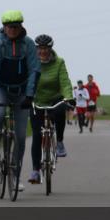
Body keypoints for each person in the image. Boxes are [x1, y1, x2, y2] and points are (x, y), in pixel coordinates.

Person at [0, 11, 41, 192]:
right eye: (8, 26)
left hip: (22, 91)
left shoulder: (29, 44)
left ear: (21, 26)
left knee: (20, 137)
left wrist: (30, 95)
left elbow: (34, 70)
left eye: (15, 26)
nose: (12, 30)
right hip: (2, 88)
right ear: (4, 27)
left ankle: (16, 178)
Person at [27, 35, 71, 184]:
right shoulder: (31, 62)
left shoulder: (59, 62)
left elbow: (64, 82)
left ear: (50, 49)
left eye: (46, 48)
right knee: (37, 135)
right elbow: (26, 81)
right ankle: (35, 171)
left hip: (54, 99)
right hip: (37, 101)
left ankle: (59, 142)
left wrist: (68, 97)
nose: (43, 51)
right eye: (40, 48)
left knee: (60, 112)